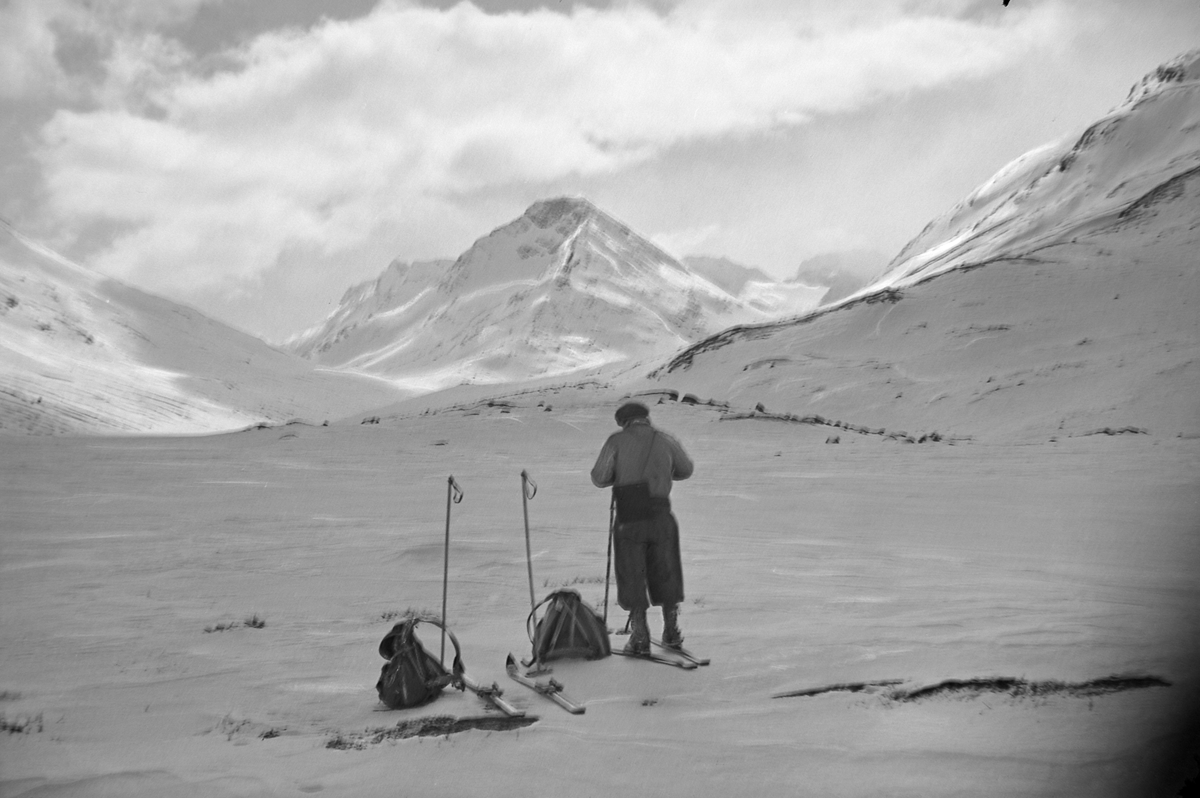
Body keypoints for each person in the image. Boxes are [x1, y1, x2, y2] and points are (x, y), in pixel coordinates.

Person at [591, 401, 694, 655]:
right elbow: (686, 469)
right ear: (646, 418)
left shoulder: (616, 441)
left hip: (630, 517)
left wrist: (623, 475)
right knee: (666, 570)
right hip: (661, 514)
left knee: (631, 574)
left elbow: (599, 477)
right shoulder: (665, 439)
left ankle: (639, 636)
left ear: (623, 421)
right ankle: (671, 631)